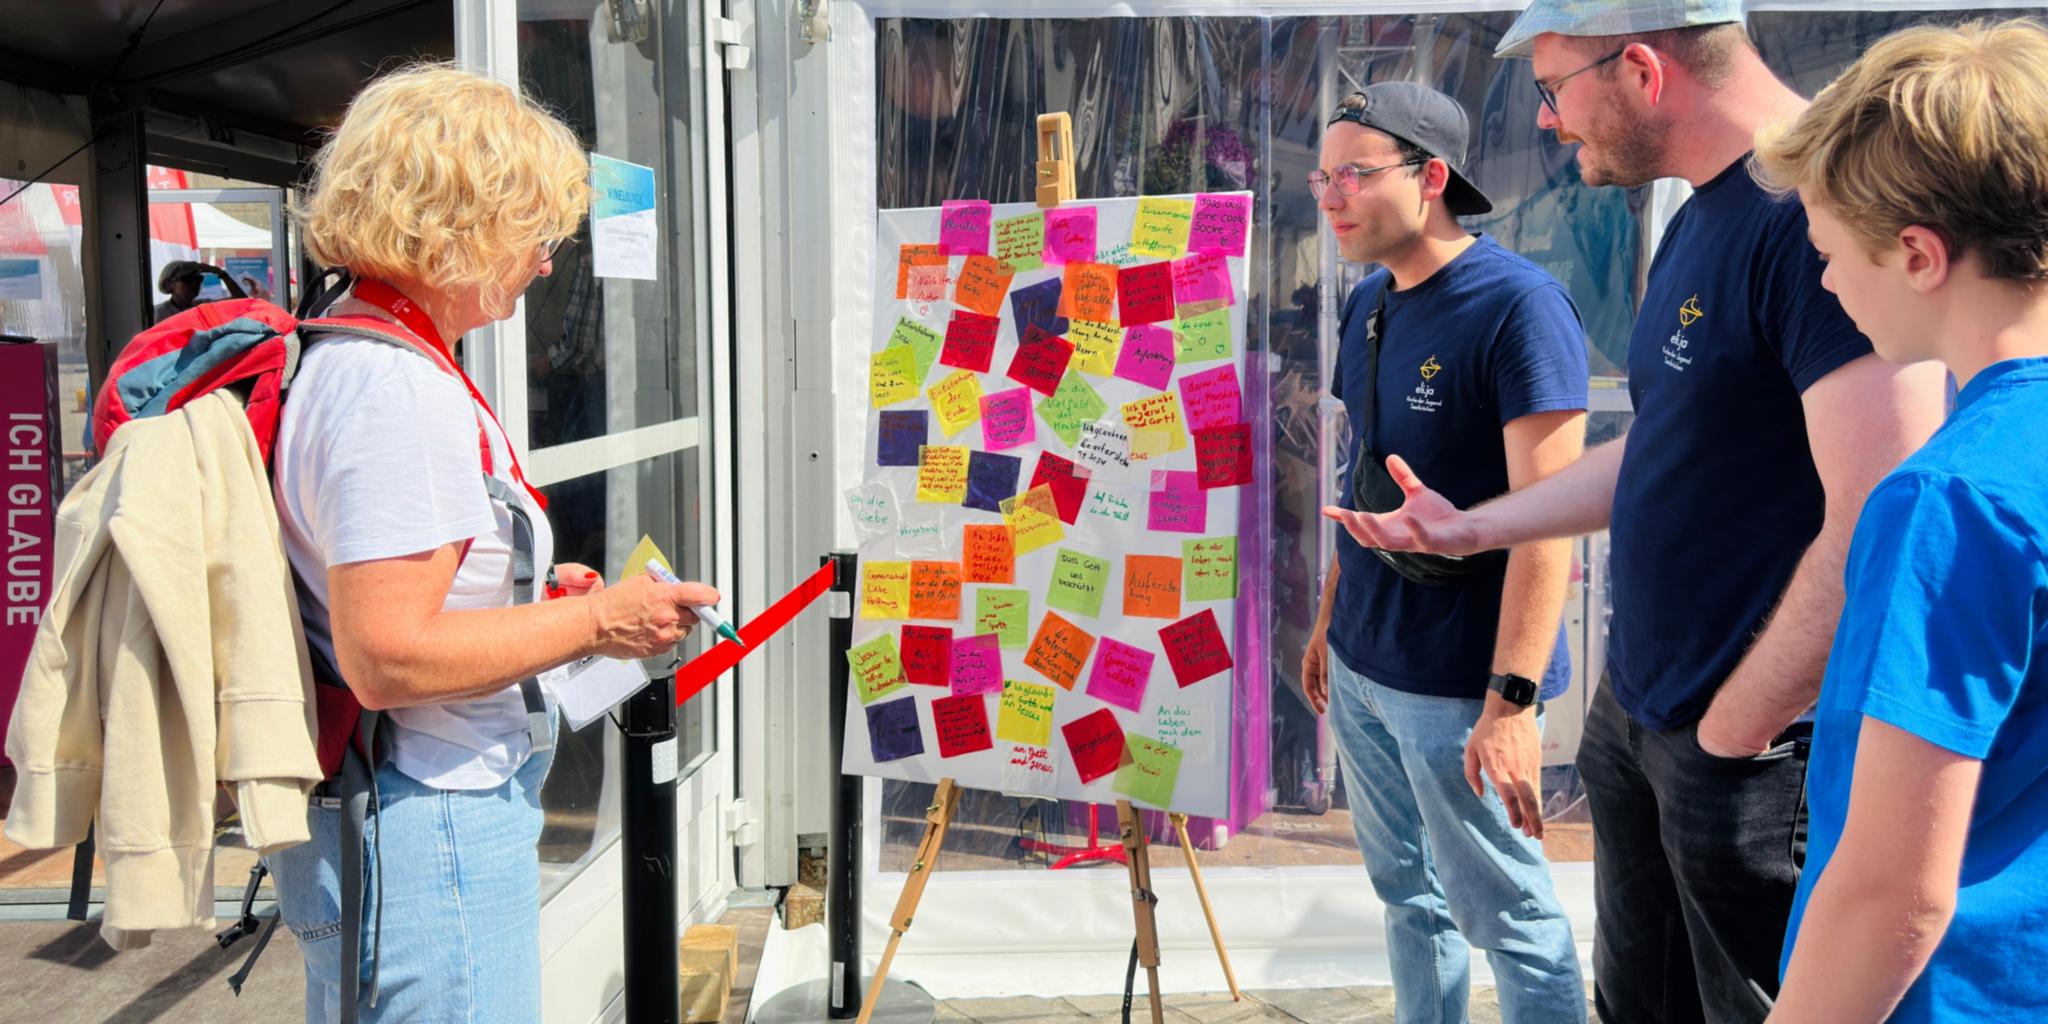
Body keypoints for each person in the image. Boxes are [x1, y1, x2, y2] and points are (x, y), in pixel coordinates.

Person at [1324, 4, 1950, 1021]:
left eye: (1553, 87)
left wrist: (1737, 726)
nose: (1543, 122)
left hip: (1742, 743)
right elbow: (1663, 442)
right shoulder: (1705, 212)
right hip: (1648, 710)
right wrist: (1472, 524)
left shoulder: (1817, 216)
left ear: (1644, 73)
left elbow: (1884, 514)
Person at [265, 63, 720, 1023]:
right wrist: (599, 619)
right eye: (535, 233)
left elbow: (377, 588)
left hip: (390, 815)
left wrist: (524, 585)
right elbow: (387, 655)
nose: (547, 262)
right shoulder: (400, 394)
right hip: (431, 825)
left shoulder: (349, 354)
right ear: (457, 224)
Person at [1751, 19, 2048, 1022]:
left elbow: (1891, 892)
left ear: (1917, 253)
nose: (1825, 282)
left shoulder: (1948, 499)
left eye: (1827, 253)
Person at [1302, 82, 1589, 1024]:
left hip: (1459, 682)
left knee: (1508, 917)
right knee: (1407, 897)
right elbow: (1363, 477)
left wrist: (1512, 701)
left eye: (1353, 173)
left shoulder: (1518, 308)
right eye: (1323, 174)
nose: (1330, 195)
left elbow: (1550, 520)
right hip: (1362, 658)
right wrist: (1330, 620)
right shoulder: (1368, 301)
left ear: (1432, 178)